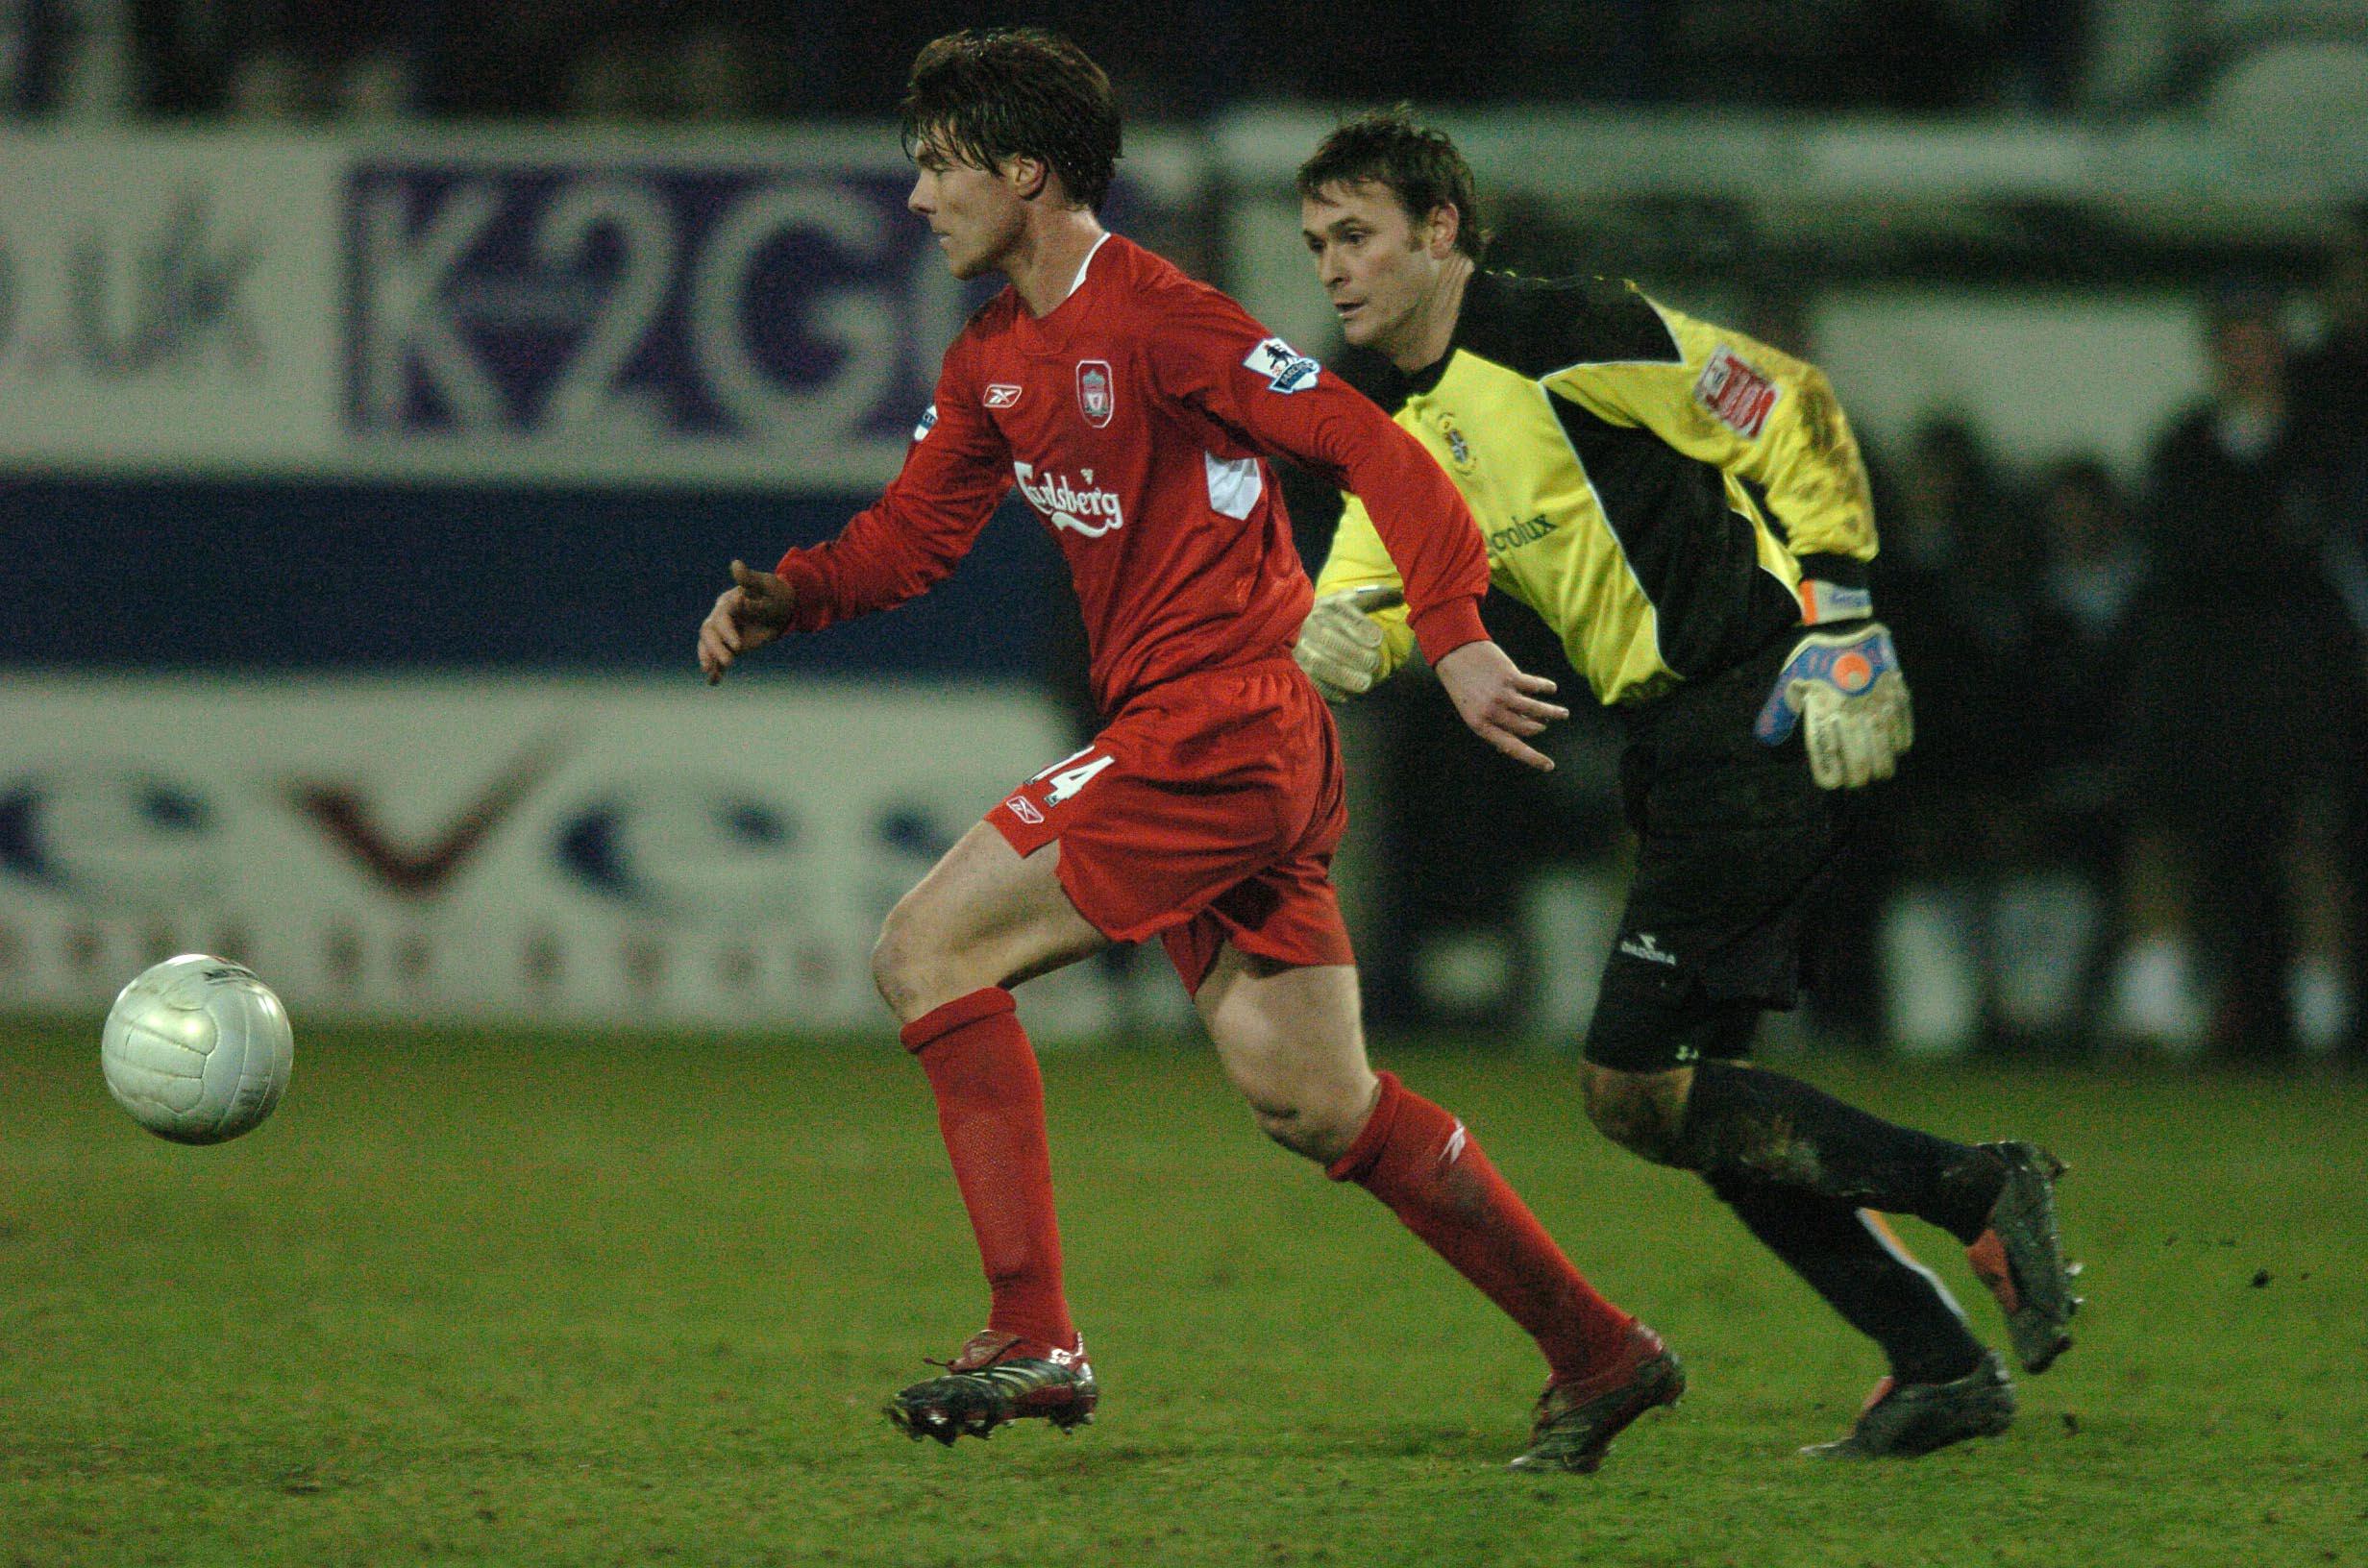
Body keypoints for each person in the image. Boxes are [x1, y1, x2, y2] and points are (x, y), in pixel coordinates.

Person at [697, 30, 1678, 1474]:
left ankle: (1034, 1333)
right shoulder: (993, 357)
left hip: (1216, 727)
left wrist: (1456, 634)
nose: (915, 199)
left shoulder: (1164, 320)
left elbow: (1384, 452)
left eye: (937, 165)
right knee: (1313, 1096)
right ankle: (1601, 1351)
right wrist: (798, 591)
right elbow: (914, 538)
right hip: (1224, 741)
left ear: (1025, 171)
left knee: (928, 949)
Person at [1290, 108, 2080, 1458]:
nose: (1332, 269)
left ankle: (1974, 1187)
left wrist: (1843, 619)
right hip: (1677, 742)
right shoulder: (1403, 431)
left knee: (1631, 1082)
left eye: (1356, 237)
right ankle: (1939, 1362)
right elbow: (1385, 598)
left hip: (1762, 705)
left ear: (1439, 232)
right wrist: (1341, 635)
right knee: (1695, 1101)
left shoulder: (1566, 330)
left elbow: (1794, 409)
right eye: (1315, 245)